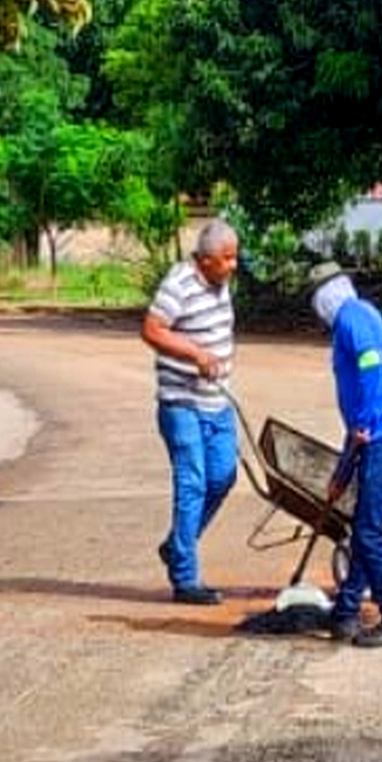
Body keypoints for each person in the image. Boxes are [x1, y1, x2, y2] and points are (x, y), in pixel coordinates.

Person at [310, 269, 382, 649]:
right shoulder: (358, 314)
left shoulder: (352, 316)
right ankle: (346, 611)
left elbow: (372, 366)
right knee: (364, 527)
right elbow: (358, 398)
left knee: (369, 529)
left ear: (326, 297)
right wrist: (342, 470)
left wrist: (364, 422)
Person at [142, 219, 241, 605]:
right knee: (193, 482)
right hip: (181, 402)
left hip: (218, 402)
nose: (233, 266)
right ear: (204, 259)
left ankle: (176, 545)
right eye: (227, 258)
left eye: (235, 257)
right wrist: (195, 354)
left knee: (223, 476)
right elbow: (152, 330)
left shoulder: (220, 282)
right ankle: (185, 578)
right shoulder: (179, 283)